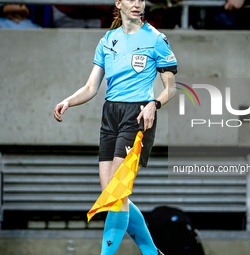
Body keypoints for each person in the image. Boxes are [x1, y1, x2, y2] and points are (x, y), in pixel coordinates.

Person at [53, 0, 177, 254]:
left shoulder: (156, 38)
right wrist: (68, 101)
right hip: (110, 115)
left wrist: (154, 103)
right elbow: (90, 88)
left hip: (139, 114)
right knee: (112, 195)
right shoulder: (108, 39)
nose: (137, 4)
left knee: (117, 193)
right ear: (118, 3)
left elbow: (171, 88)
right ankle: (153, 252)